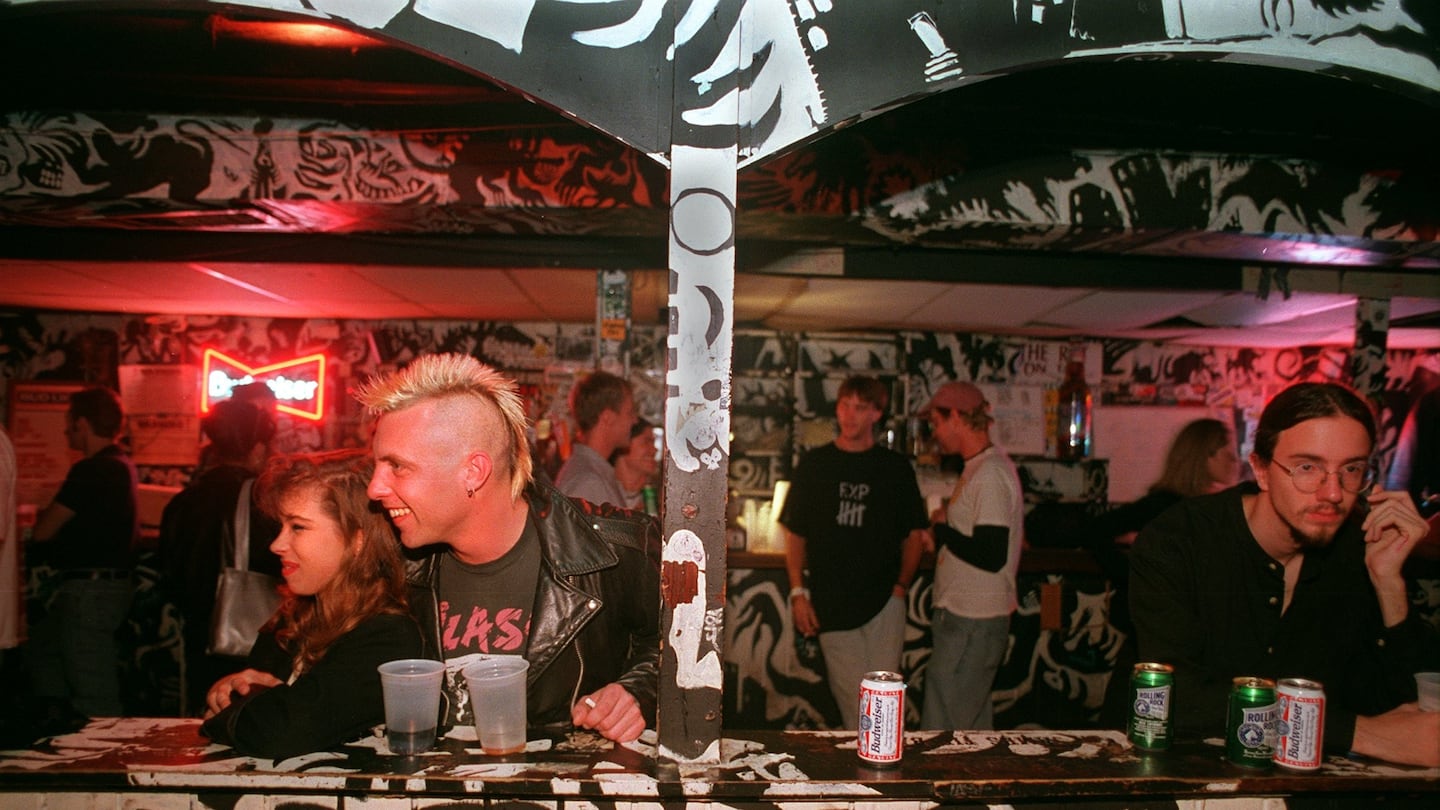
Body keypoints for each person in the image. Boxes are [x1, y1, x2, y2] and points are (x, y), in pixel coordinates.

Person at [1130, 381, 1440, 767]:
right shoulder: (1180, 541)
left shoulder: (1361, 552)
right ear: (1260, 469)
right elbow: (1174, 701)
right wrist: (1366, 734)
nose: (1332, 492)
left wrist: (1389, 582)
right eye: (1307, 468)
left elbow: (1411, 708)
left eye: (1351, 469)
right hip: (1164, 774)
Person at [358, 353, 661, 743]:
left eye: (397, 466)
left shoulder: (612, 548)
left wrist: (638, 691)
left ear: (473, 472)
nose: (375, 488)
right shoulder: (393, 564)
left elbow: (687, 643)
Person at [200, 449, 422, 760]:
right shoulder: (292, 618)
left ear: (357, 541)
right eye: (281, 526)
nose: (276, 544)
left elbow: (280, 732)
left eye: (298, 527)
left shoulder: (387, 635)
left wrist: (254, 708)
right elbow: (247, 711)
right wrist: (237, 697)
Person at [779, 376, 927, 729]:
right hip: (831, 601)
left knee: (885, 701)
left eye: (860, 407)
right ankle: (863, 775)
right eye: (845, 404)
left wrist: (900, 588)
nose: (849, 414)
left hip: (883, 602)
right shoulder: (815, 464)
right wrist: (799, 592)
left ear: (877, 413)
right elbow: (794, 534)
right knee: (853, 705)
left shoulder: (894, 467)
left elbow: (915, 535)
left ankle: (883, 774)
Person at [1075, 417, 1238, 725]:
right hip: (1155, 632)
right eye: (1226, 453)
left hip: (1199, 635)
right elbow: (1095, 531)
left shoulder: (1224, 510)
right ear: (1204, 456)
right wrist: (1135, 576)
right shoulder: (1165, 505)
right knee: (1135, 712)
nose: (1234, 461)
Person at [157, 398, 282, 715]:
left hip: (197, 631)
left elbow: (168, 571)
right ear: (256, 448)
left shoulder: (184, 499)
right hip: (249, 632)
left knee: (202, 715)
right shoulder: (260, 500)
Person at [27, 386, 139, 718]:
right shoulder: (121, 465)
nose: (65, 430)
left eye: (69, 423)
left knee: (93, 691)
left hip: (88, 589)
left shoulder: (91, 469)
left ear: (83, 424)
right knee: (50, 653)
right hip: (108, 587)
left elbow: (44, 530)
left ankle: (98, 760)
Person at [920, 381, 1024, 731]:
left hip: (972, 622)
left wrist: (943, 532)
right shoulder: (979, 468)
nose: (935, 434)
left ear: (956, 418)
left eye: (936, 423)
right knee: (970, 733)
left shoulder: (991, 474)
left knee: (944, 730)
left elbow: (990, 553)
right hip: (968, 619)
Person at [554, 370, 636, 507]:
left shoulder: (591, 472)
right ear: (607, 417)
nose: (635, 420)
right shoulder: (588, 482)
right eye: (630, 412)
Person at [611, 419, 660, 513]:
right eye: (647, 442)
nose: (654, 450)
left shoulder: (657, 499)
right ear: (625, 442)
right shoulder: (602, 489)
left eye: (653, 443)